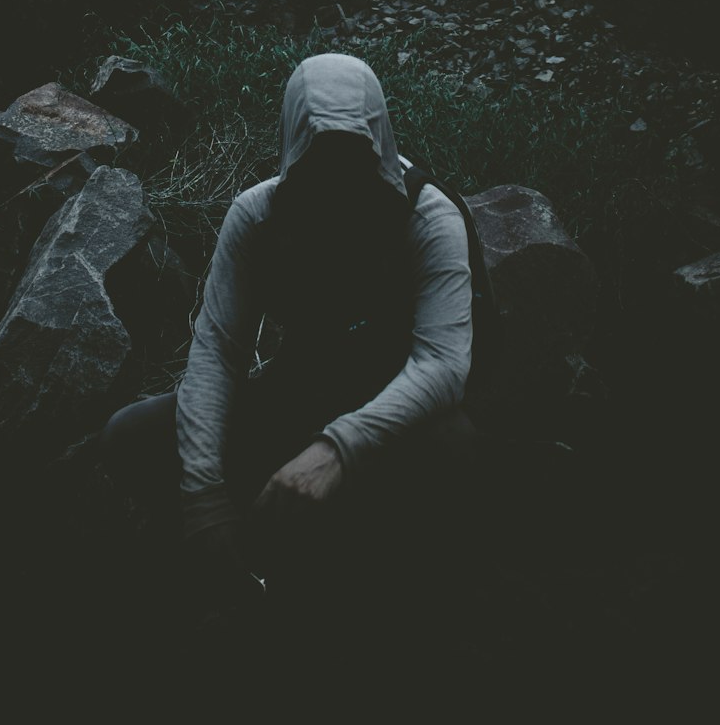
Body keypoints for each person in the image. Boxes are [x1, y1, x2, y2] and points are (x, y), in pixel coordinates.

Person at [100, 51, 478, 628]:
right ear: (294, 145)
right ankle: (226, 569)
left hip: (394, 419)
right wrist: (202, 494)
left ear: (377, 140)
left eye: (352, 156)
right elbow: (219, 349)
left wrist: (336, 449)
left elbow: (443, 364)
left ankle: (392, 600)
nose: (337, 178)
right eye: (321, 158)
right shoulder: (258, 217)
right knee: (131, 433)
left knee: (450, 440)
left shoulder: (429, 220)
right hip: (299, 393)